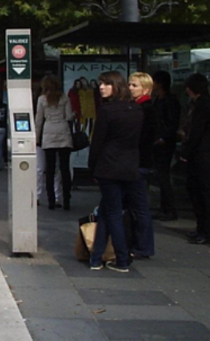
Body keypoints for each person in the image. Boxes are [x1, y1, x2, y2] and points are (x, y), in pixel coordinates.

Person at [88, 71, 143, 273]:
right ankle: (96, 257)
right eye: (101, 83)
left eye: (106, 84)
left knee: (112, 212)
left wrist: (92, 166)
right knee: (107, 210)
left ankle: (121, 258)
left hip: (108, 165)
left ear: (115, 86)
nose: (101, 87)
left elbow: (98, 141)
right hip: (129, 166)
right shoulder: (136, 110)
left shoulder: (107, 111)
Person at [179, 73, 210, 245]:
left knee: (201, 193)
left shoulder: (202, 106)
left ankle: (205, 230)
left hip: (201, 153)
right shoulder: (204, 104)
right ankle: (204, 229)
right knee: (202, 192)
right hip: (203, 153)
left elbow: (197, 131)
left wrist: (186, 151)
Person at [127, 72, 156, 259]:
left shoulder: (145, 109)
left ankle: (143, 246)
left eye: (134, 85)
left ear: (145, 89)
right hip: (137, 162)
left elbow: (142, 138)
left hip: (138, 162)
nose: (130, 88)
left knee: (139, 206)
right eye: (130, 84)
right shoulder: (139, 107)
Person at [35, 75, 73, 210]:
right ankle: (66, 199)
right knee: (64, 168)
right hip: (63, 132)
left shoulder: (42, 99)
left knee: (49, 169)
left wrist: (37, 138)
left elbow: (39, 120)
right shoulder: (64, 98)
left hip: (49, 132)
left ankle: (51, 200)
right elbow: (69, 116)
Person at [151, 70, 181, 221]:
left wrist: (164, 137)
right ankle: (164, 207)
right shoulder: (158, 99)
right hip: (158, 141)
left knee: (163, 175)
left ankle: (170, 208)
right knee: (160, 175)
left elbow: (172, 122)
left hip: (165, 142)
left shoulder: (169, 101)